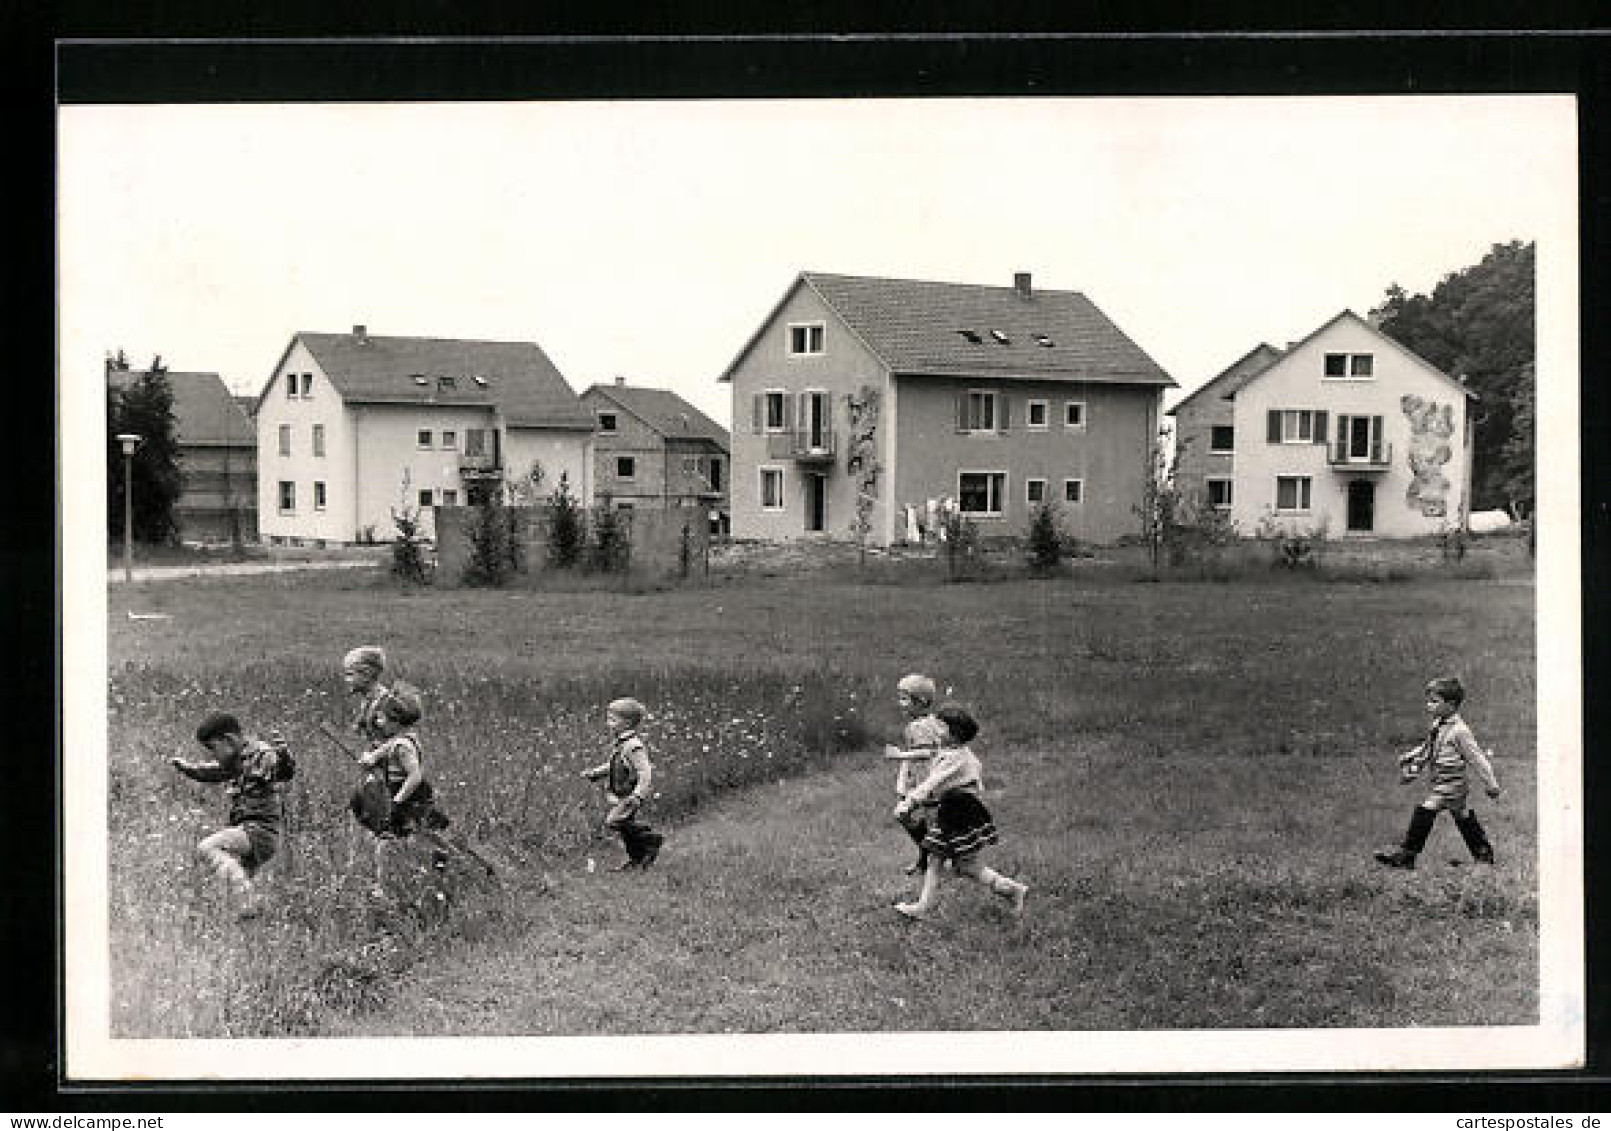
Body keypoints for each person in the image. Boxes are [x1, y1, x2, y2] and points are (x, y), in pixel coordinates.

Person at [891, 703, 1028, 920]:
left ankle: (922, 907)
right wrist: (903, 756)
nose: (934, 730)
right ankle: (1012, 889)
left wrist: (909, 802)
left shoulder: (955, 758)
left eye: (939, 727)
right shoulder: (954, 751)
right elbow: (939, 758)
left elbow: (932, 783)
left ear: (954, 734)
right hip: (955, 808)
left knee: (951, 862)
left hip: (958, 811)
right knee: (954, 864)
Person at [354, 684, 490, 895]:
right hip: (410, 797)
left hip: (409, 797)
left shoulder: (403, 746)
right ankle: (454, 857)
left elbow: (415, 776)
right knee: (429, 832)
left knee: (386, 840)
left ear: (396, 722)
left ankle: (382, 888)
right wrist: (370, 758)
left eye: (382, 718)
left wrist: (397, 801)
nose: (378, 722)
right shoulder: (403, 738)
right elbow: (383, 749)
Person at [170, 712, 297, 919]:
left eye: (213, 748)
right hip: (246, 830)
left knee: (208, 847)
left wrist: (284, 756)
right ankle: (250, 922)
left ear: (228, 739)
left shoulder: (261, 754)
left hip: (259, 831)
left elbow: (281, 771)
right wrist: (189, 769)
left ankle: (250, 903)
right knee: (232, 897)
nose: (213, 755)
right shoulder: (234, 759)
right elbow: (214, 772)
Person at [1374, 676, 1502, 869]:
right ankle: (1483, 853)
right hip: (1441, 781)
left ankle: (1407, 855)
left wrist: (1491, 784)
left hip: (1453, 784)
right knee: (1462, 815)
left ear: (1451, 705)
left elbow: (1478, 759)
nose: (1428, 705)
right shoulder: (1438, 725)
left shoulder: (1460, 732)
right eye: (1428, 701)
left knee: (1427, 808)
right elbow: (1428, 747)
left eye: (1434, 701)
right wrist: (1410, 756)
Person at [581, 697, 663, 871]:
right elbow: (613, 765)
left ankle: (650, 838)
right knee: (625, 829)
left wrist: (638, 794)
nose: (608, 723)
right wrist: (595, 773)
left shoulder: (633, 746)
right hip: (624, 794)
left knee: (614, 821)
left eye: (612, 720)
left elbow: (645, 772)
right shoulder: (622, 744)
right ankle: (638, 859)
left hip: (631, 795)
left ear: (627, 723)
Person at [886, 673, 949, 875]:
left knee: (918, 819)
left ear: (920, 702)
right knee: (909, 816)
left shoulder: (919, 726)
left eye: (904, 698)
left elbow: (927, 752)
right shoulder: (929, 722)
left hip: (926, 782)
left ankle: (932, 860)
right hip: (921, 780)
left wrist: (900, 755)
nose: (900, 703)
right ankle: (926, 858)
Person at [343, 645, 396, 745]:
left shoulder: (384, 703)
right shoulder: (368, 700)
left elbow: (394, 740)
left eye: (350, 674)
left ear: (367, 674)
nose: (346, 680)